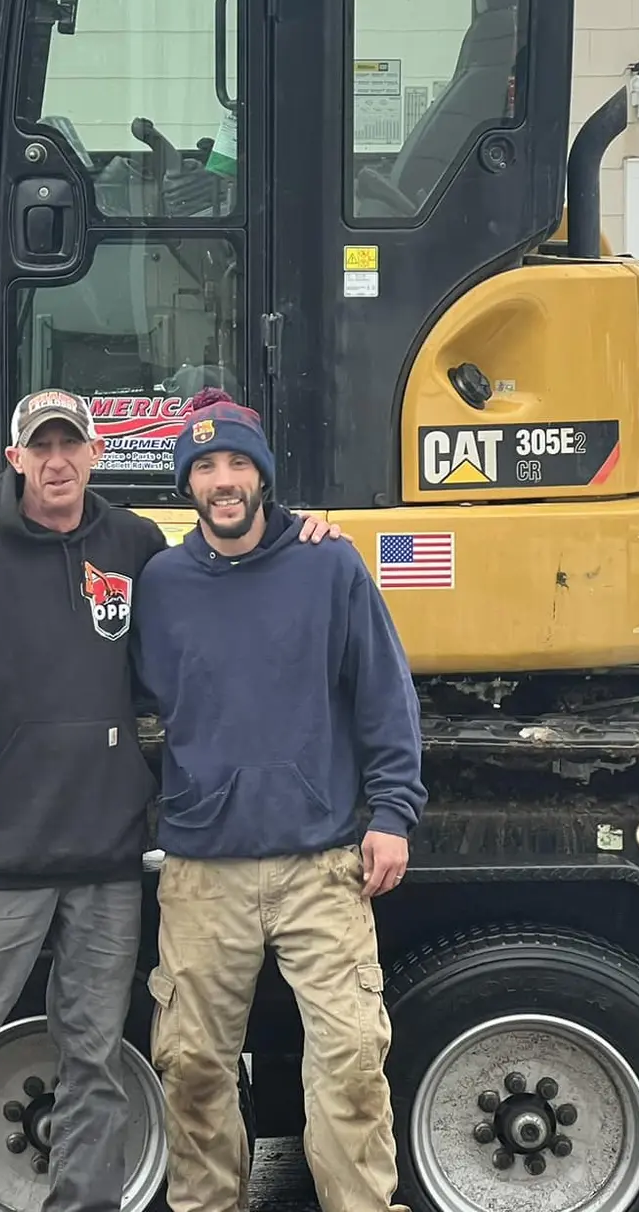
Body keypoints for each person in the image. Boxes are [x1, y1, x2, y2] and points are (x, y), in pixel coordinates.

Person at [0, 387, 340, 1212]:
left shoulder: (133, 545)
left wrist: (300, 527)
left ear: (94, 454)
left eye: (71, 446)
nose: (57, 462)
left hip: (104, 865)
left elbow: (225, 561)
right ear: (16, 460)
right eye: (40, 448)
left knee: (95, 1064)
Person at [133, 388, 426, 1212]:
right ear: (188, 484)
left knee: (350, 1061)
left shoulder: (328, 563)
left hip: (320, 863)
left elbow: (383, 695)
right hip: (202, 870)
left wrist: (393, 815)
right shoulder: (160, 584)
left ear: (261, 477)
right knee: (191, 1066)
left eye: (236, 463)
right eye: (205, 467)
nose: (223, 481)